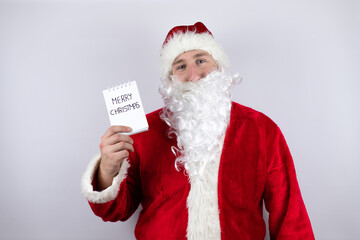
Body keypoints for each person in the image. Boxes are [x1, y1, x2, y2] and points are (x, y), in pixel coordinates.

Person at [81, 22, 315, 240]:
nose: (193, 75)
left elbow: (290, 217)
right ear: (170, 79)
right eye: (181, 66)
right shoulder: (143, 132)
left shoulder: (262, 130)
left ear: (219, 66)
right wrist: (107, 170)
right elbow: (115, 211)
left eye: (201, 60)